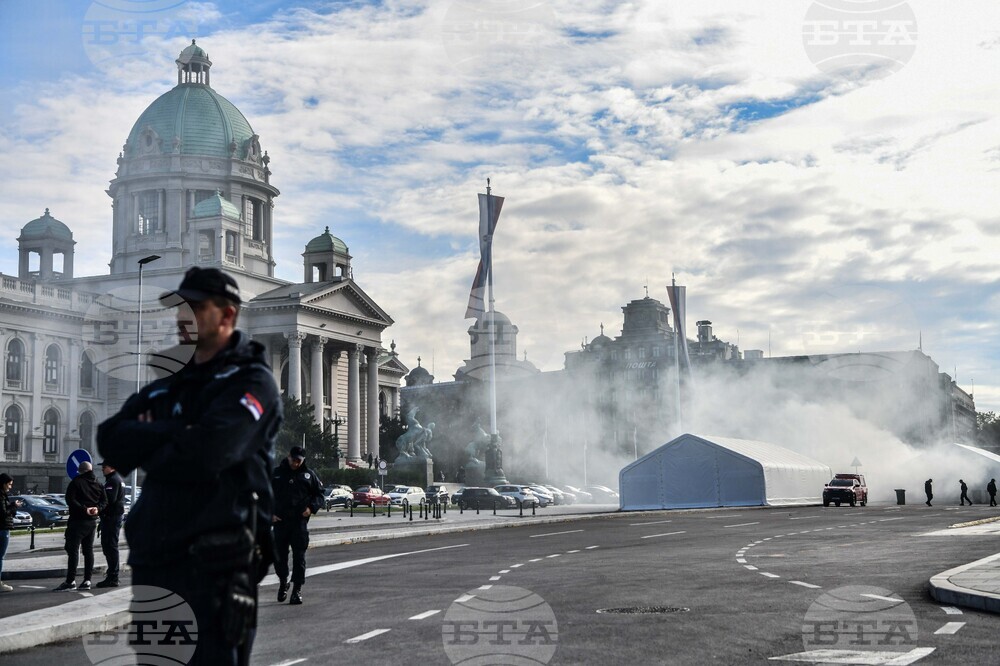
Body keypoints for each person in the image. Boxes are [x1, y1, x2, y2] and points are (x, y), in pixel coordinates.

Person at [97, 267, 282, 666]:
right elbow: (111, 440)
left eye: (196, 307)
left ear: (227, 315)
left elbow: (212, 452)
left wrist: (153, 437)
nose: (183, 317)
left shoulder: (252, 381)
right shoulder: (171, 379)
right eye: (181, 306)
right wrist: (183, 430)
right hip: (156, 563)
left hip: (216, 567)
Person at [271, 446, 323, 605]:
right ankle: (283, 581)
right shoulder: (276, 473)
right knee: (279, 557)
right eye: (293, 460)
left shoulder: (309, 475)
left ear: (303, 460)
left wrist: (311, 508)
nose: (295, 463)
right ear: (289, 456)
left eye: (299, 461)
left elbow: (320, 495)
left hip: (299, 523)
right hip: (280, 522)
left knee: (299, 558)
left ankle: (297, 590)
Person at [56, 461, 106, 591]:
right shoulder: (98, 483)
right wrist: (97, 508)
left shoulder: (76, 482)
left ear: (80, 471)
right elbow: (105, 500)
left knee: (73, 551)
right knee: (88, 551)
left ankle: (70, 581)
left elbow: (70, 500)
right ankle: (87, 580)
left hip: (77, 521)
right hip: (92, 522)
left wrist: (84, 509)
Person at [96, 461, 126, 587]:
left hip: (112, 518)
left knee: (110, 546)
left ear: (112, 467)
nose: (102, 468)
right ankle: (112, 574)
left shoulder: (113, 481)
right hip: (112, 518)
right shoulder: (116, 479)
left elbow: (109, 500)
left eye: (105, 467)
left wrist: (98, 506)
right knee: (109, 546)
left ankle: (113, 577)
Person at [1, 473, 23, 592]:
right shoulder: (1, 495)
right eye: (9, 484)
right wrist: (14, 506)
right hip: (2, 528)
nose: (10, 487)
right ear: (3, 484)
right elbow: (3, 513)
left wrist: (12, 505)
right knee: (0, 557)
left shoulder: (3, 495)